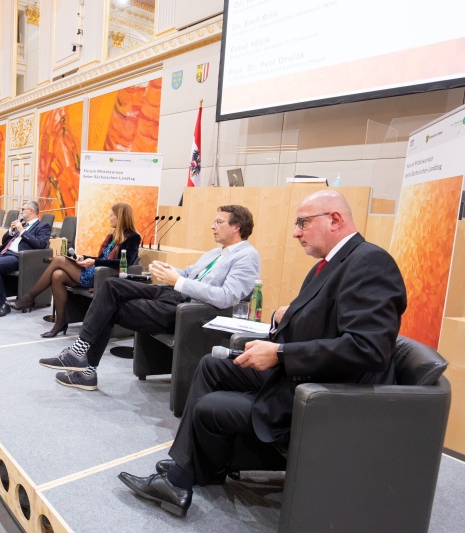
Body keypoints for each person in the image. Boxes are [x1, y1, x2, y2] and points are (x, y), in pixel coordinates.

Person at [117, 190, 407, 517]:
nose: (296, 232)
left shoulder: (370, 263)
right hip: (304, 372)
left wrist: (281, 353)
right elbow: (324, 323)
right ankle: (192, 465)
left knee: (209, 405)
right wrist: (282, 323)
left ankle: (179, 479)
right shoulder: (328, 266)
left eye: (303, 223)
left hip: (324, 394)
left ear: (335, 219)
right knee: (212, 366)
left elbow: (367, 348)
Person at [39, 205, 260, 391]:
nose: (213, 226)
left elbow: (227, 297)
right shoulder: (215, 252)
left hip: (189, 311)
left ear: (236, 227)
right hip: (173, 293)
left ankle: (84, 367)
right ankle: (80, 357)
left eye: (219, 222)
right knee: (111, 287)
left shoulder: (246, 257)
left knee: (109, 307)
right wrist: (170, 270)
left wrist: (178, 281)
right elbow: (189, 273)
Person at [9, 203, 141, 338]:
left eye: (112, 215)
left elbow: (124, 263)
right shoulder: (113, 235)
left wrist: (94, 262)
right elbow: (102, 257)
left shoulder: (133, 237)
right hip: (96, 269)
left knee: (59, 259)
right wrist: (84, 257)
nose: (109, 218)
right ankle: (60, 322)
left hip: (102, 276)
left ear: (120, 217)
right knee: (57, 275)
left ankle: (29, 298)